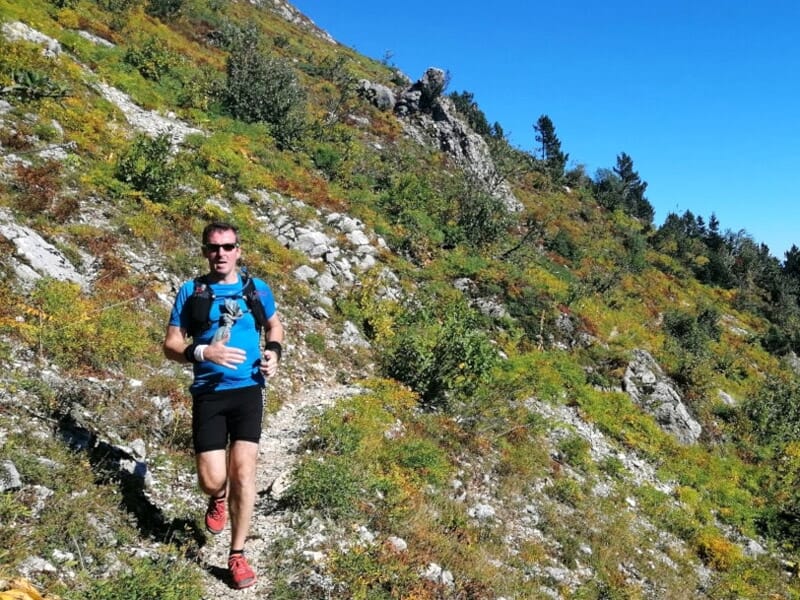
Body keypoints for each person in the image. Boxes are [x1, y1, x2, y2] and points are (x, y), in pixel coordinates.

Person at [163, 221, 284, 590]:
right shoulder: (192, 292)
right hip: (209, 393)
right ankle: (218, 496)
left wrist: (273, 353)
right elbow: (170, 344)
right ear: (204, 252)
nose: (221, 254)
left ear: (238, 250)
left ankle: (237, 554)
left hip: (248, 389)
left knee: (244, 472)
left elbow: (275, 326)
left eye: (228, 247)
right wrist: (203, 352)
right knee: (212, 478)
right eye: (214, 248)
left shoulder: (255, 289)